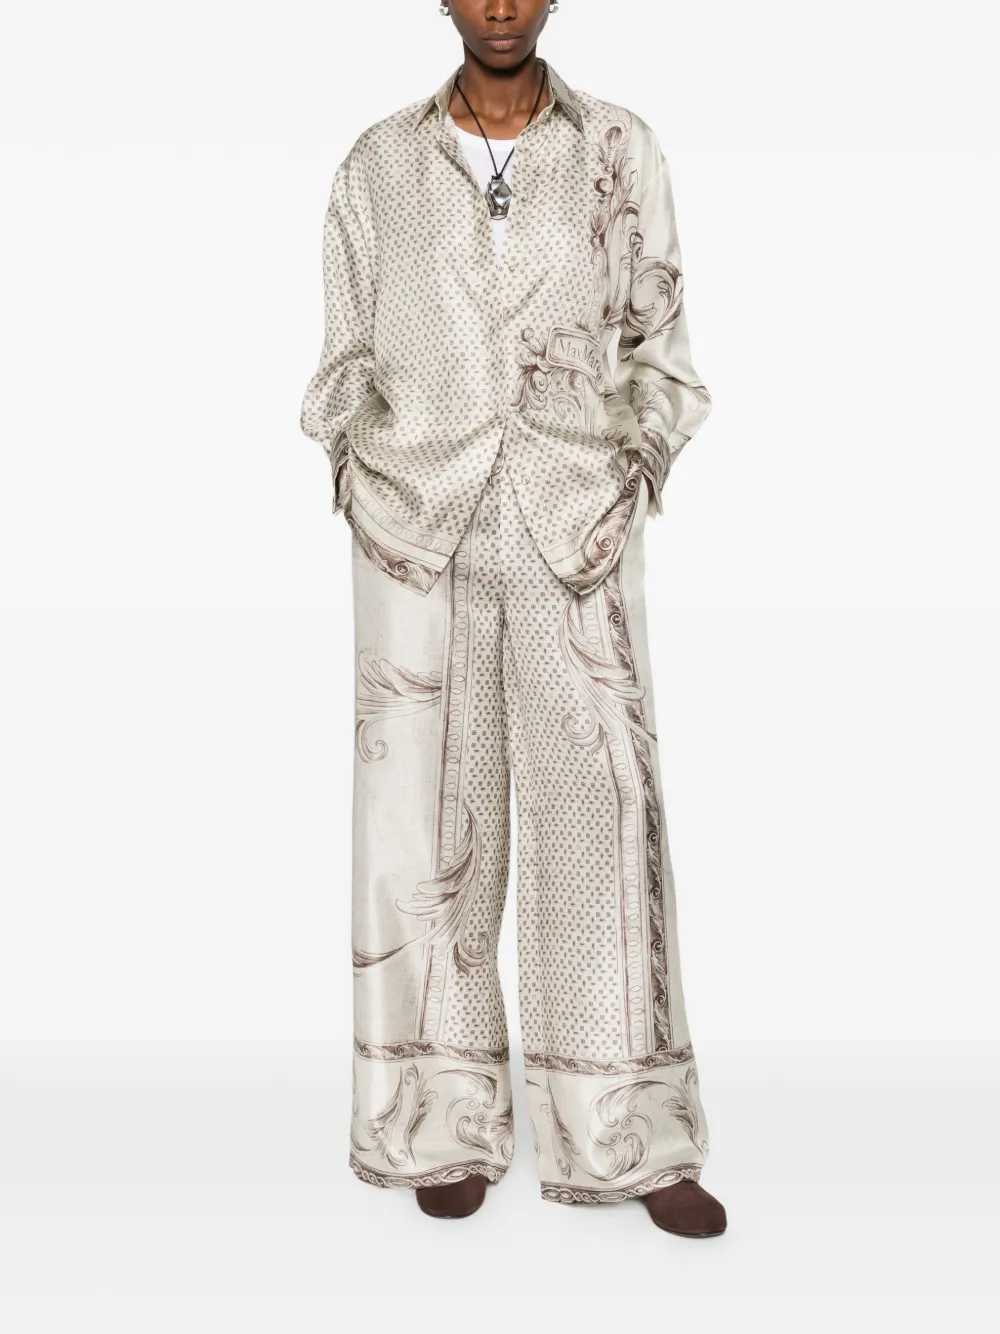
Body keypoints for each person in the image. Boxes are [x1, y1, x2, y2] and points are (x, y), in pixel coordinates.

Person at [300, 0, 726, 1237]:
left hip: (574, 522)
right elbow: (340, 361)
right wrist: (363, 472)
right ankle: (441, 1120)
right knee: (428, 835)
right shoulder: (377, 163)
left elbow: (662, 346)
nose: (500, 4)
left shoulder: (617, 149)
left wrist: (630, 465)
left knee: (603, 819)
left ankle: (629, 1132)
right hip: (416, 526)